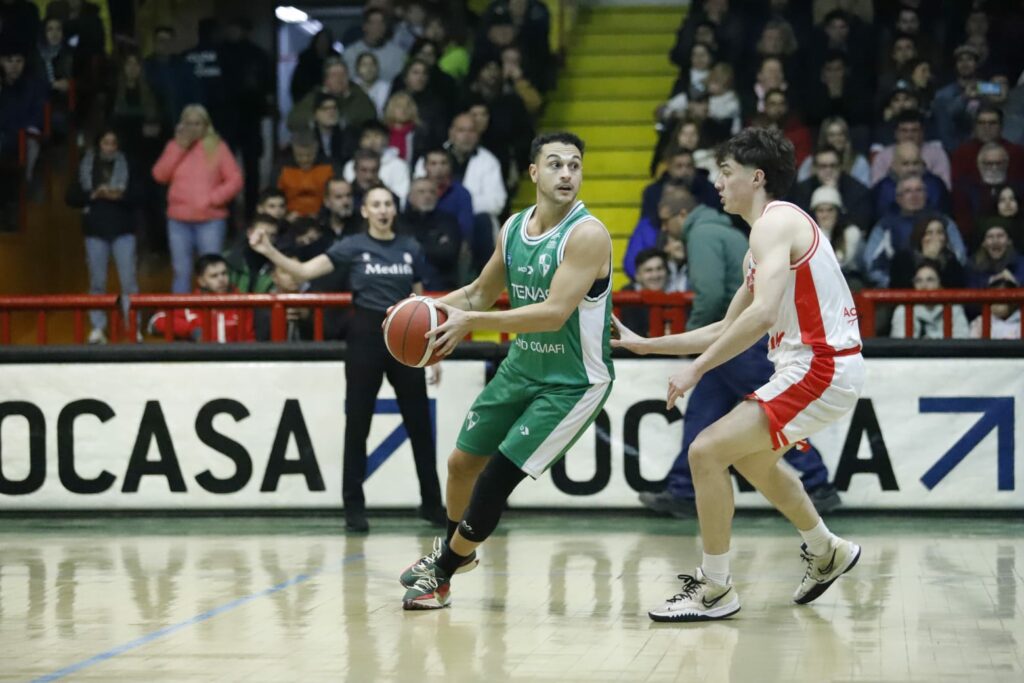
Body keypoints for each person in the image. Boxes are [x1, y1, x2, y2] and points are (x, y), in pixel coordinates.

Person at [613, 127, 863, 622]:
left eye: (725, 173)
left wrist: (696, 371)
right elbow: (729, 327)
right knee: (750, 462)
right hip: (817, 366)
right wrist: (648, 346)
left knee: (705, 451)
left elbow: (764, 315)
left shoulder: (775, 222)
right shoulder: (759, 246)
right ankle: (826, 549)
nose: (718, 183)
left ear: (758, 176)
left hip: (819, 364)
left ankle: (715, 588)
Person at [397, 131, 614, 610]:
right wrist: (421, 309)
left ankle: (443, 572)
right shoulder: (514, 227)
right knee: (460, 465)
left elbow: (554, 313)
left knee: (495, 479)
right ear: (534, 173)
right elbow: (478, 292)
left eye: (574, 165)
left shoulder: (587, 234)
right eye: (555, 164)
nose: (566, 174)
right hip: (523, 366)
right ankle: (456, 554)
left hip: (573, 381)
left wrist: (473, 322)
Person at [637, 184, 843, 519]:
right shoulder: (724, 230)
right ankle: (683, 489)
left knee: (777, 413)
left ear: (682, 214)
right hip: (739, 334)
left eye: (666, 221)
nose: (664, 229)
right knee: (703, 413)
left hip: (741, 338)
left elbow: (711, 294)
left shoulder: (702, 234)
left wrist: (698, 346)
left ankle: (819, 483)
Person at [248, 184, 444, 533]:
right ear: (365, 211)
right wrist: (269, 251)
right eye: (376, 205)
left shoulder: (409, 247)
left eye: (388, 204)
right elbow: (305, 272)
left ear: (393, 210)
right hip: (366, 336)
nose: (383, 210)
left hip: (404, 339)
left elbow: (420, 301)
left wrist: (432, 351)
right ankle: (353, 507)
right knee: (358, 423)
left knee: (420, 424)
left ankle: (431, 504)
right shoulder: (353, 246)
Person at [152, 104, 242, 294]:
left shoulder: (218, 147)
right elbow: (159, 175)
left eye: (197, 123)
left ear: (206, 125)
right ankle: (180, 319)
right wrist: (179, 147)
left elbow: (235, 180)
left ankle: (214, 316)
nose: (193, 128)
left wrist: (213, 199)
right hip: (178, 221)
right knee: (181, 272)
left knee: (213, 272)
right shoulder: (173, 146)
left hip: (210, 220)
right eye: (188, 123)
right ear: (181, 125)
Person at [65, 128, 140, 344]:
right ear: (99, 144)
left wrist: (120, 195)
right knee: (97, 283)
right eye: (105, 143)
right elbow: (70, 197)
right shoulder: (86, 165)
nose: (109, 147)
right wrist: (93, 194)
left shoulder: (129, 164)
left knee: (129, 282)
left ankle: (132, 326)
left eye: (113, 143)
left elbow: (141, 195)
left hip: (123, 230)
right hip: (95, 231)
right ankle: (98, 327)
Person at [148, 254, 255, 342]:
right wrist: (191, 329)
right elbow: (155, 322)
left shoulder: (241, 303)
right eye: (214, 276)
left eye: (224, 273)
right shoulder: (190, 305)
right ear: (201, 281)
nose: (221, 279)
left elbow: (250, 339)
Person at [890, 261, 969, 339]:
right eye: (918, 280)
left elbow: (962, 339)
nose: (923, 286)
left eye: (930, 280)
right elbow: (900, 345)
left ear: (940, 284)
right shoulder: (903, 310)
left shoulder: (954, 309)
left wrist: (930, 338)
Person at [224, 213, 279, 294]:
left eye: (273, 235)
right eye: (263, 235)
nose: (268, 240)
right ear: (249, 233)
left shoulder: (279, 264)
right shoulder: (227, 260)